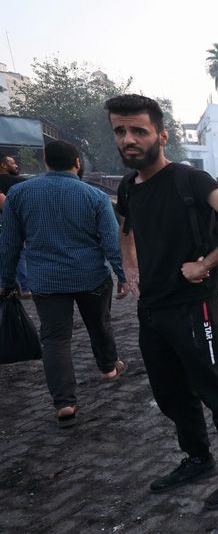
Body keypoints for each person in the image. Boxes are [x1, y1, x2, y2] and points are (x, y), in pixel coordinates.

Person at [107, 94, 218, 510]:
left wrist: (206, 263)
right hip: (152, 309)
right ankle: (199, 458)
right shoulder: (127, 186)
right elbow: (127, 229)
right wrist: (130, 268)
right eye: (120, 131)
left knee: (217, 389)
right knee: (171, 393)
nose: (128, 140)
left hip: (195, 306)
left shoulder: (189, 179)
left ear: (162, 135)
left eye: (138, 131)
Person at [0, 141, 127, 427]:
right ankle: (108, 368)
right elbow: (111, 241)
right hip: (91, 276)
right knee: (100, 324)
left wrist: (6, 281)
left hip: (46, 281)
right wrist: (122, 275)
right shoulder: (94, 196)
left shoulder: (19, 194)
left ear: (46, 162)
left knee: (55, 339)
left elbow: (8, 244)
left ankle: (65, 403)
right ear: (77, 162)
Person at [0, 154, 30, 297]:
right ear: (3, 165)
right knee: (19, 253)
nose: (16, 165)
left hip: (5, 222)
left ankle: (9, 286)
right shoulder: (22, 182)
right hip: (17, 221)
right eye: (12, 162)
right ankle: (24, 287)